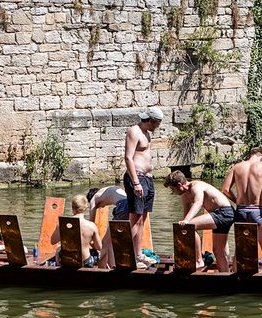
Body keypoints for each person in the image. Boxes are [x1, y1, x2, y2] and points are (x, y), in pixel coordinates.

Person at [164, 170, 235, 273]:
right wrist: (186, 222)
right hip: (220, 215)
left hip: (224, 212)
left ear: (179, 185)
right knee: (218, 252)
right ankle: (225, 276)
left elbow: (199, 202)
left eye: (172, 188)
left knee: (190, 226)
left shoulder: (196, 186)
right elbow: (186, 216)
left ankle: (199, 260)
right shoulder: (185, 196)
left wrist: (187, 221)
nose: (172, 192)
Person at [223, 147, 262, 273]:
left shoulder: (237, 167)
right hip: (258, 211)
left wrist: (237, 200)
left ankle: (235, 276)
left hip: (241, 211)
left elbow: (225, 189)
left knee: (240, 247)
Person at [124, 106, 164, 266]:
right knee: (135, 219)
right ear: (151, 120)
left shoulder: (147, 134)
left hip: (147, 179)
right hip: (137, 178)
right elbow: (128, 158)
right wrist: (135, 182)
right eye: (158, 123)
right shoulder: (134, 131)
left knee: (143, 219)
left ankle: (139, 254)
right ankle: (132, 255)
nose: (158, 126)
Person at [86, 185, 128, 268]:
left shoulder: (93, 199)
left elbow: (91, 222)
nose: (101, 207)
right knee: (112, 241)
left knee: (105, 242)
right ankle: (112, 265)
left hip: (122, 206)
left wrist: (91, 239)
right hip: (130, 204)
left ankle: (102, 268)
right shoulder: (104, 192)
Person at [70, 194, 103, 268]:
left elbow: (53, 241)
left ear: (73, 207)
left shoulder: (63, 223)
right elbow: (99, 247)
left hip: (67, 260)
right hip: (86, 261)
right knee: (99, 253)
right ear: (85, 208)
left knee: (58, 249)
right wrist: (89, 242)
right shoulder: (91, 226)